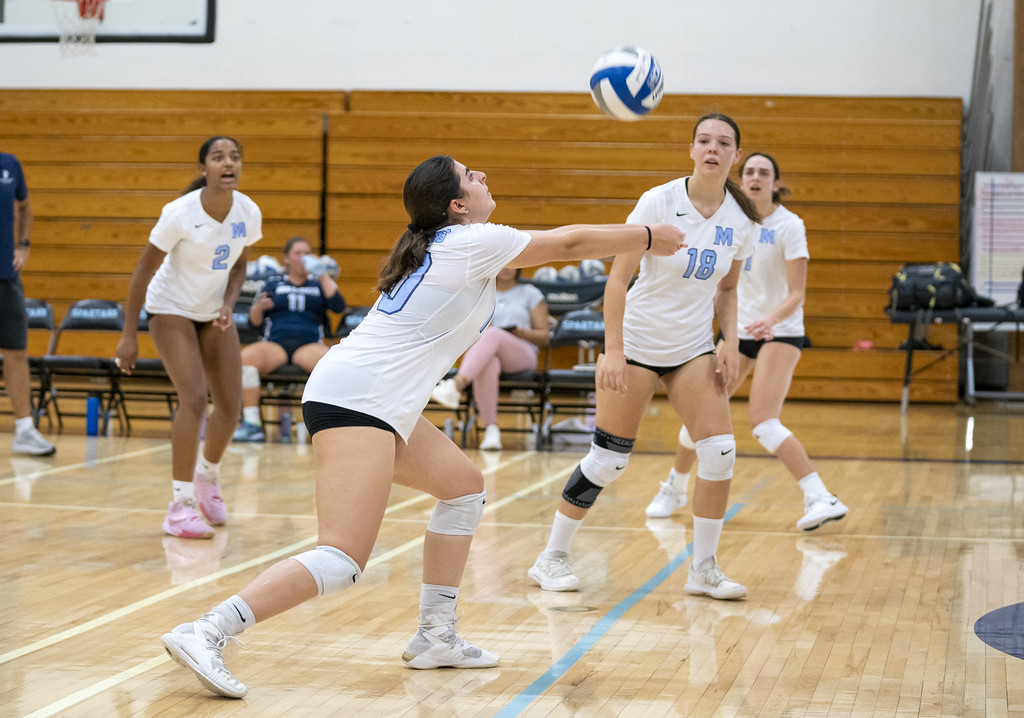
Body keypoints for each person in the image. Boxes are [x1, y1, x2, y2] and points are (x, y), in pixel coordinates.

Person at [158, 154, 685, 699]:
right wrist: (646, 234)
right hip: (357, 398)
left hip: (378, 401)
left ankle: (436, 636)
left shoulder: (451, 245)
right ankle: (208, 630)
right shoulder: (469, 241)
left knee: (463, 488)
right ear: (457, 205)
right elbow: (570, 245)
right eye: (471, 175)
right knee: (341, 558)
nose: (483, 175)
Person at [529, 113, 760, 601]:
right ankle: (551, 556)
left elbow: (729, 289)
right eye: (703, 141)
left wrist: (730, 341)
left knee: (719, 452)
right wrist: (613, 352)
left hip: (692, 348)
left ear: (735, 155)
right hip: (635, 345)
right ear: (692, 149)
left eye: (723, 143)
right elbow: (618, 279)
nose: (712, 149)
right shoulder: (659, 201)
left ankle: (704, 568)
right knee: (609, 461)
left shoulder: (741, 219)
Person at [646, 152, 848, 531]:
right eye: (750, 171)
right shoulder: (732, 219)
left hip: (779, 331)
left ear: (775, 182)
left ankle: (821, 495)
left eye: (764, 172)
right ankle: (674, 488)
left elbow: (797, 293)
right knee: (700, 417)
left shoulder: (790, 226)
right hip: (737, 331)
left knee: (763, 421)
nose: (756, 178)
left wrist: (770, 319)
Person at [115, 136, 261, 539]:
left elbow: (239, 266)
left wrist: (229, 303)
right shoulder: (178, 213)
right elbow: (142, 273)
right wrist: (129, 335)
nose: (228, 163)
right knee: (194, 397)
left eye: (235, 156)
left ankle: (207, 479)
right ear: (204, 170)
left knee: (230, 407)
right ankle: (178, 507)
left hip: (212, 312)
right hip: (171, 309)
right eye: (218, 157)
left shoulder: (248, 211)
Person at [232, 236, 346, 443]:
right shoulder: (273, 283)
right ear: (286, 259)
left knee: (334, 366)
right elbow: (254, 324)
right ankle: (252, 424)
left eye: (307, 253)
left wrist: (322, 276)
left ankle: (329, 426)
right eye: (298, 253)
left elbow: (338, 306)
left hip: (309, 344)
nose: (303, 258)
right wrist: (259, 308)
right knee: (245, 360)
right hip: (276, 344)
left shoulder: (318, 283)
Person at [429, 266, 550, 450]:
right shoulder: (483, 294)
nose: (507, 268)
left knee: (493, 335)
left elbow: (545, 336)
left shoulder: (530, 293)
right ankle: (491, 431)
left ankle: (457, 385)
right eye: (503, 263)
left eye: (512, 263)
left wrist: (522, 332)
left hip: (523, 353)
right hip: (489, 354)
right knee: (489, 362)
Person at [1, 151, 56, 457]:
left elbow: (25, 206)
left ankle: (24, 430)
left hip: (5, 276)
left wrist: (23, 244)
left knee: (16, 351)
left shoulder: (9, 164)